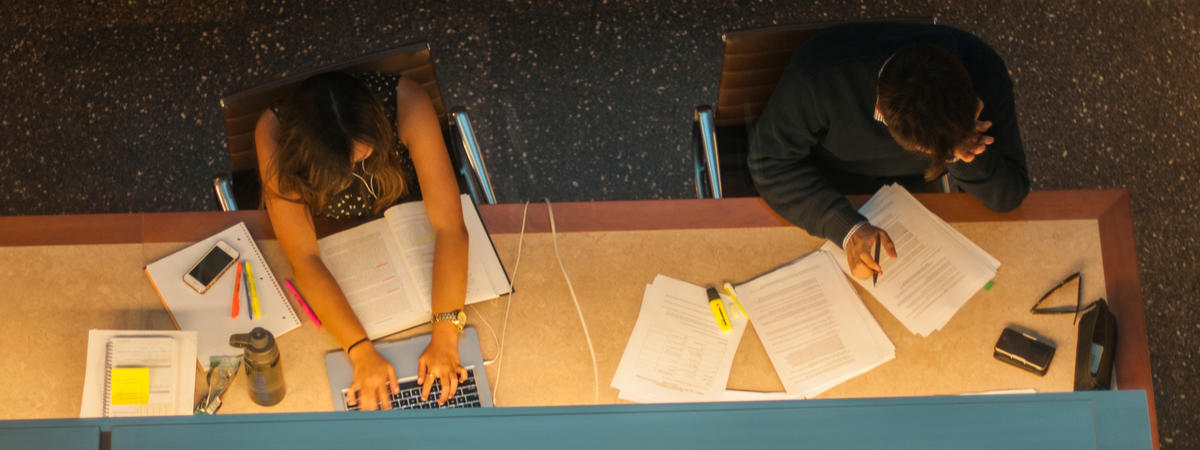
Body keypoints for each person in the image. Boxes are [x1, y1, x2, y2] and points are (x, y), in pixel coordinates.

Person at [254, 71, 469, 409]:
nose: (355, 168)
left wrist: (445, 334)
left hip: (403, 217)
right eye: (341, 166)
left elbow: (450, 228)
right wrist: (360, 351)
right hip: (332, 234)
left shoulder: (406, 102)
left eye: (363, 157)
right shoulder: (274, 132)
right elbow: (304, 257)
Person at [748, 22, 1029, 279]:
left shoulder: (982, 68)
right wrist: (845, 227)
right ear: (881, 111)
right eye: (929, 149)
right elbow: (769, 163)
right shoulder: (820, 77)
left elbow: (1008, 195)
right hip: (822, 184)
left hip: (913, 199)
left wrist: (959, 148)